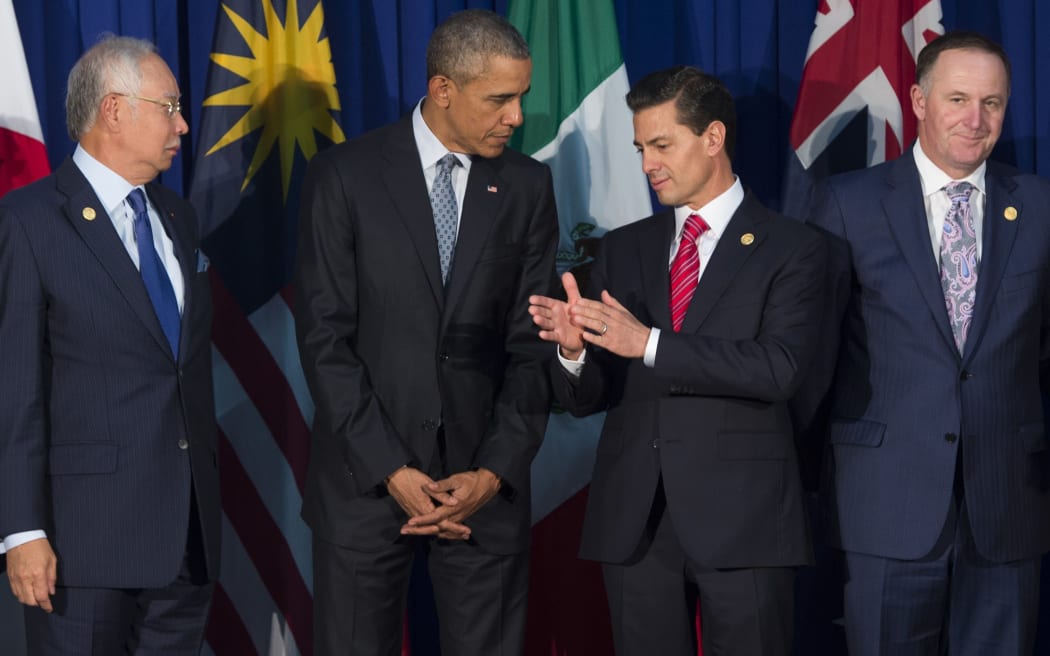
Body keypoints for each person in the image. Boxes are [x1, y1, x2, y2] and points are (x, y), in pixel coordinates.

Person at [528, 65, 826, 656]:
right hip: (637, 524)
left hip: (745, 523)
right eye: (640, 148)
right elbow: (587, 400)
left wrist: (650, 344)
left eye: (661, 145)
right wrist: (573, 350)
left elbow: (779, 369)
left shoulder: (796, 248)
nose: (646, 165)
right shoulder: (622, 247)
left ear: (712, 138)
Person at [293, 9, 558, 656]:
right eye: (500, 99)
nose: (516, 118)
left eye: (521, 97)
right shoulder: (343, 176)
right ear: (443, 90)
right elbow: (324, 337)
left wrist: (493, 472)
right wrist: (392, 468)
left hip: (482, 494)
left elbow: (531, 348)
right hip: (364, 486)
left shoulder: (527, 185)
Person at [808, 30, 1050, 655]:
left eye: (992, 103)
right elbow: (815, 354)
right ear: (917, 100)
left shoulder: (1042, 207)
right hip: (885, 502)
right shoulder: (846, 203)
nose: (976, 119)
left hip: (1007, 506)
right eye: (958, 99)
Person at [0, 36, 220, 653]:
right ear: (114, 110)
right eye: (169, 106)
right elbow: (14, 390)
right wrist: (22, 531)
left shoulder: (178, 216)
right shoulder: (29, 220)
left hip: (185, 539)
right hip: (80, 548)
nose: (182, 123)